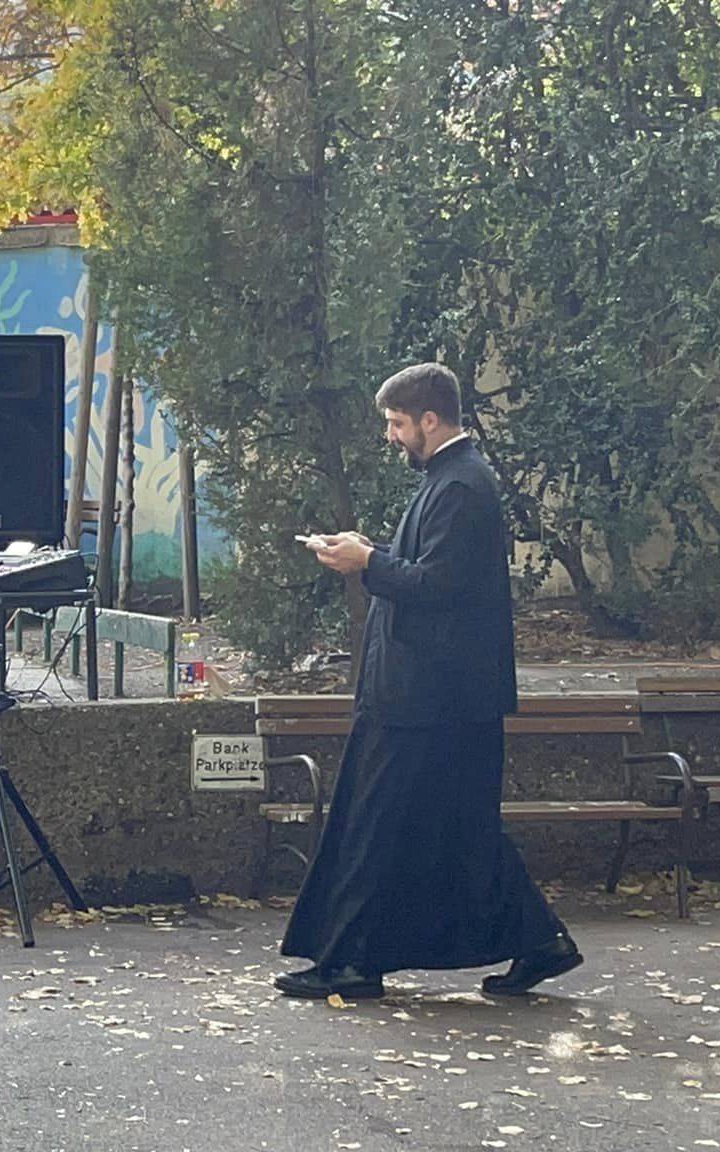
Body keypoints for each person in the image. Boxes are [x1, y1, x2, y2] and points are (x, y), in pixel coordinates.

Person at [278, 362, 580, 1001]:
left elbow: (439, 586)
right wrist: (369, 553)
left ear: (430, 420)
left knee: (379, 825)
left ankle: (353, 965)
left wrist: (367, 562)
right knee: (460, 831)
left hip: (428, 699)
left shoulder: (462, 486)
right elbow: (430, 570)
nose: (391, 435)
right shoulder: (453, 480)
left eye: (397, 423)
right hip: (434, 695)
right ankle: (541, 942)